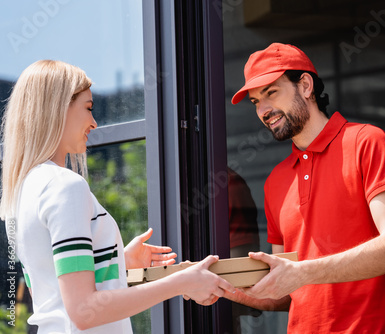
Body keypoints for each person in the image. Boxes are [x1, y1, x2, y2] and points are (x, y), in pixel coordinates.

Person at [0, 60, 234, 333]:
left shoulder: (26, 190)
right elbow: (84, 311)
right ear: (57, 107)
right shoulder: (64, 186)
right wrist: (182, 282)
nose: (94, 122)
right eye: (88, 108)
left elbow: (58, 288)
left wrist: (116, 260)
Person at [226, 43, 385, 333]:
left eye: (271, 93)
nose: (263, 110)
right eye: (255, 102)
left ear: (305, 85)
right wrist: (219, 288)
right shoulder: (276, 181)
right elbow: (284, 291)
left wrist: (302, 272)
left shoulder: (366, 142)